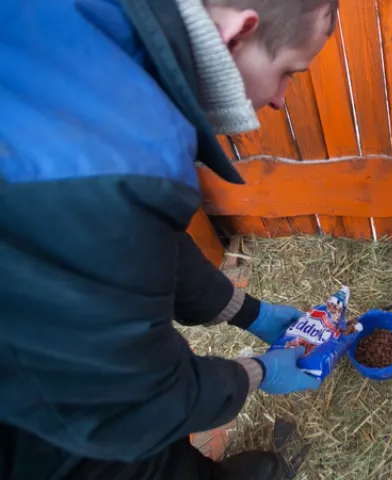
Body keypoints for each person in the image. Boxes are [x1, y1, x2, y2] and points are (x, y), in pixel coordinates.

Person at [0, 0, 338, 478]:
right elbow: (134, 402)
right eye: (289, 72)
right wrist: (257, 373)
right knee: (95, 454)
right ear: (239, 34)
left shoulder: (101, 36)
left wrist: (248, 312)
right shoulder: (127, 155)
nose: (282, 98)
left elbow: (137, 245)